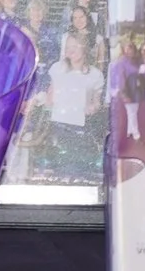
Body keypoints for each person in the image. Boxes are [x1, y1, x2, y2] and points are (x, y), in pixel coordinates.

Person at [46, 33, 104, 180]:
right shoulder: (57, 68)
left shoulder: (95, 75)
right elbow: (50, 95)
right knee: (59, 170)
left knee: (77, 171)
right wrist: (48, 102)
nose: (70, 50)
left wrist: (93, 108)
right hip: (58, 126)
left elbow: (97, 103)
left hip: (81, 130)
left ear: (84, 49)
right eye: (68, 47)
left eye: (74, 46)